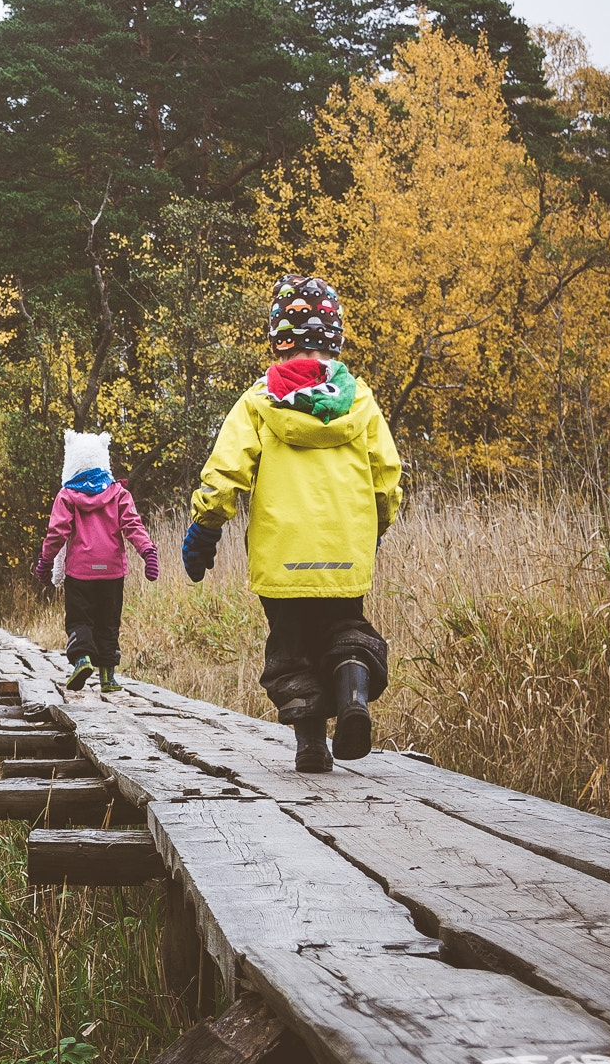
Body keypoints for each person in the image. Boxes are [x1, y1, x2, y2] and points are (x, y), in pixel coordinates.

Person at [179, 275, 403, 772]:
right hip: (344, 549)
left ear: (278, 338)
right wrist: (378, 526)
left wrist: (205, 528)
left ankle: (311, 748)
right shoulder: (360, 402)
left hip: (282, 556)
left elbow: (226, 470)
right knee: (347, 629)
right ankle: (353, 701)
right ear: (334, 340)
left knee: (291, 648)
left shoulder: (259, 401)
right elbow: (386, 477)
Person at [35, 430, 159, 692]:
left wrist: (45, 562)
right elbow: (133, 525)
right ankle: (108, 678)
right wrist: (147, 551)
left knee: (80, 620)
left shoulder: (67, 496)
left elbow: (57, 532)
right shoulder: (118, 493)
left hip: (80, 572)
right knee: (108, 622)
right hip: (112, 572)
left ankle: (81, 659)